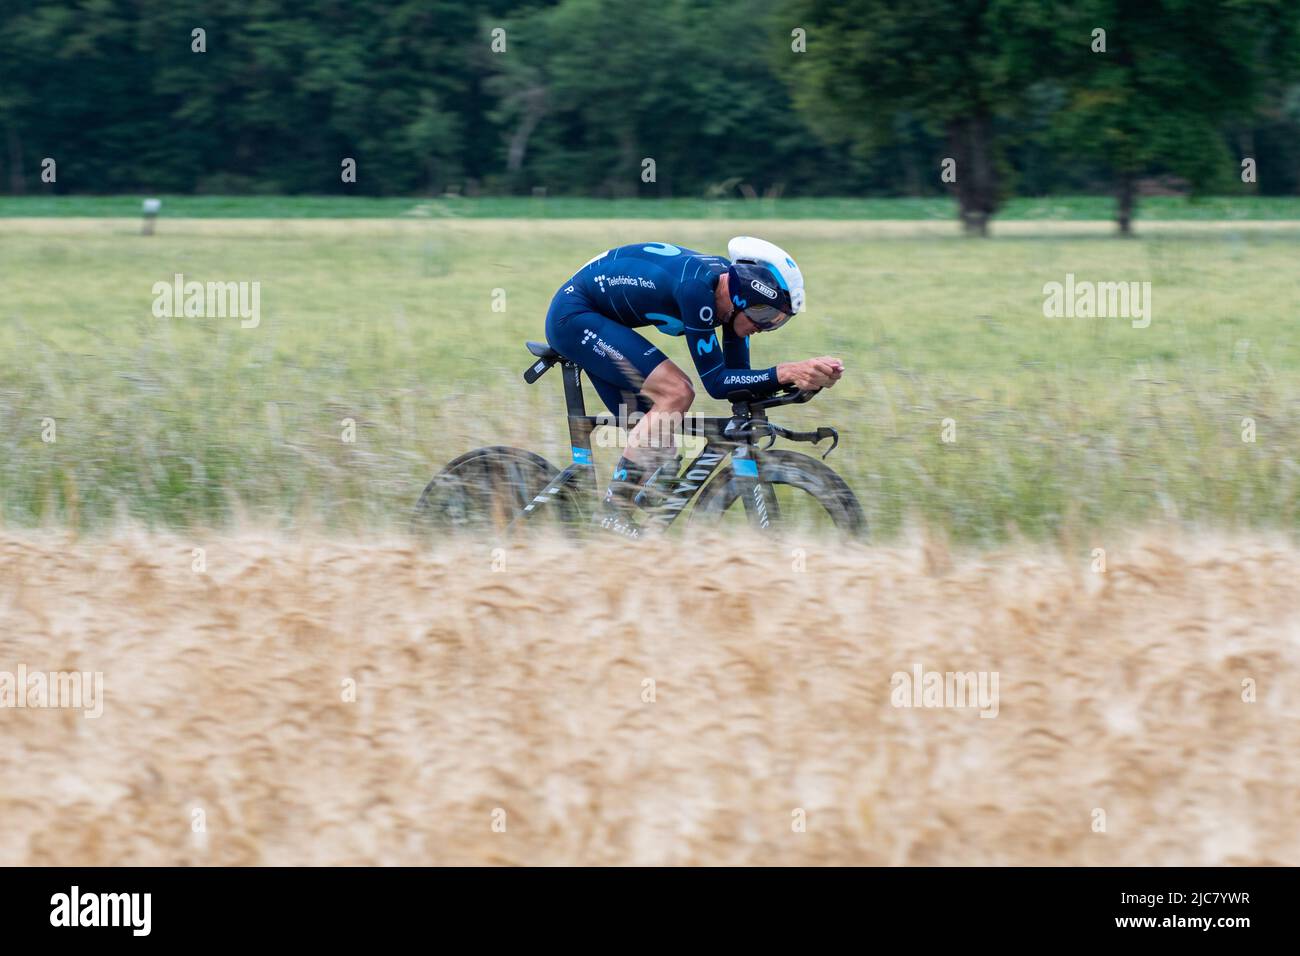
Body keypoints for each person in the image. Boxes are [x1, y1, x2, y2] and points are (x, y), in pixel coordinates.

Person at [543, 237, 844, 518]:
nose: (763, 327)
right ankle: (614, 513)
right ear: (741, 296)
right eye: (765, 316)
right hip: (573, 316)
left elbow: (738, 383)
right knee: (677, 392)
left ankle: (625, 529)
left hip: (602, 318)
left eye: (777, 322)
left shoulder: (730, 302)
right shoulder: (696, 290)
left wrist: (802, 381)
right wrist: (786, 371)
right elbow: (716, 382)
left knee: (662, 446)